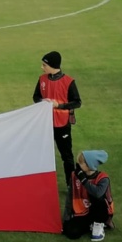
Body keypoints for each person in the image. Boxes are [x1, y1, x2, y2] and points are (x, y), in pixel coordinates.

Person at [32, 51, 82, 205]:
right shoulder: (42, 80)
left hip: (62, 124)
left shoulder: (68, 82)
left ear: (53, 66)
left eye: (44, 65)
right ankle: (40, 183)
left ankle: (70, 184)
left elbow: (77, 102)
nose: (42, 68)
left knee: (66, 156)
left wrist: (58, 105)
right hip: (45, 124)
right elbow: (35, 97)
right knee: (41, 154)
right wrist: (43, 101)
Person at [62, 150, 113, 242]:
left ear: (90, 164)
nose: (78, 164)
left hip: (100, 210)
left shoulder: (103, 178)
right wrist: (66, 217)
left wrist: (84, 180)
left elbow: (97, 193)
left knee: (97, 197)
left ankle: (98, 224)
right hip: (82, 211)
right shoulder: (75, 175)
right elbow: (70, 196)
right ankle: (90, 224)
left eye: (81, 163)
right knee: (71, 233)